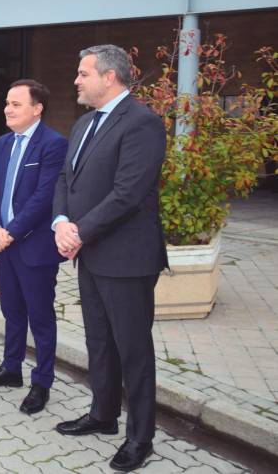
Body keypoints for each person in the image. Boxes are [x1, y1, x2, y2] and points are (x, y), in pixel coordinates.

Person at [52, 44, 168, 472]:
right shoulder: (83, 124)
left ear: (110, 77)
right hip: (90, 252)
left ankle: (141, 438)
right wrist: (61, 221)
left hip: (127, 258)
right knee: (98, 340)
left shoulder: (142, 123)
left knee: (133, 349)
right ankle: (103, 415)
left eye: (83, 73)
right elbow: (67, 178)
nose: (76, 81)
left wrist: (78, 232)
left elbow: (128, 193)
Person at [0, 79, 67, 415]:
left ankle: (41, 383)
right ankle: (11, 369)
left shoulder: (53, 144)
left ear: (37, 108)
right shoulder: (3, 143)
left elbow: (44, 197)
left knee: (40, 318)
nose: (7, 110)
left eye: (16, 104)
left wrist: (10, 231)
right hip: (5, 245)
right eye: (7, 104)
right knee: (12, 312)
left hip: (34, 247)